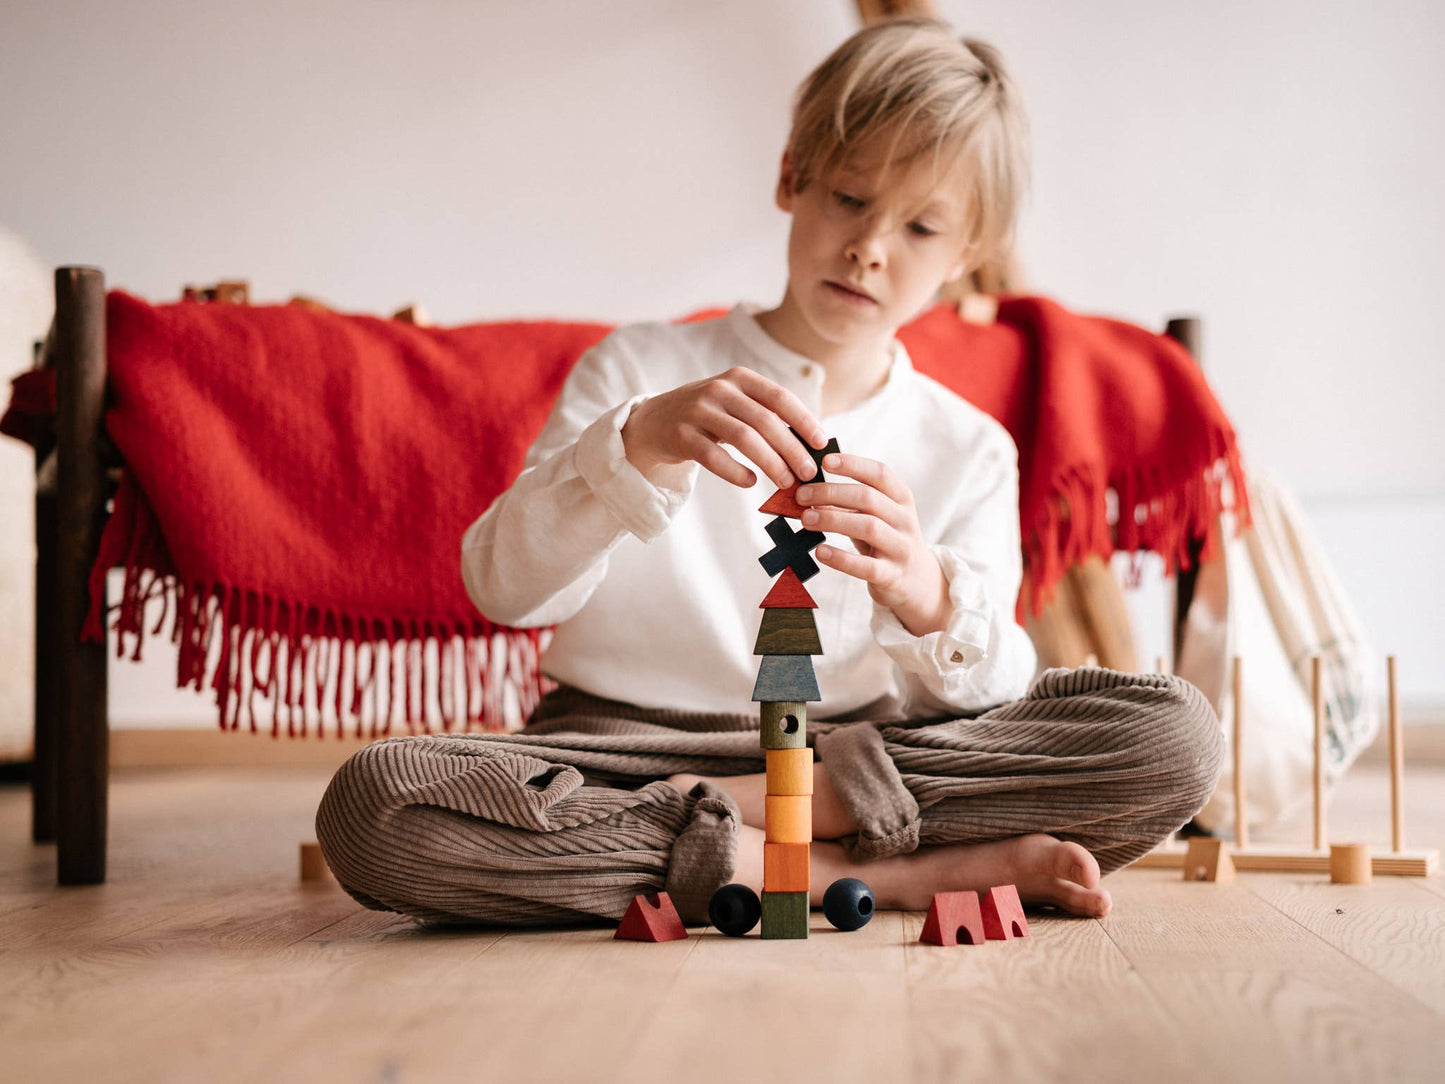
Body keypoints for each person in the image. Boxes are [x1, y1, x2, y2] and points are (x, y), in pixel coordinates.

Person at [315, 16, 1222, 928]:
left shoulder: (971, 445)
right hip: (614, 752)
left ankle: (749, 826)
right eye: (848, 198)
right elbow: (502, 588)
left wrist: (923, 588)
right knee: (376, 805)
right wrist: (631, 447)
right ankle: (870, 874)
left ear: (966, 255)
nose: (871, 246)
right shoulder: (635, 370)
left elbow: (987, 694)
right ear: (791, 177)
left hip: (857, 757)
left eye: (919, 227)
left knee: (1175, 738)